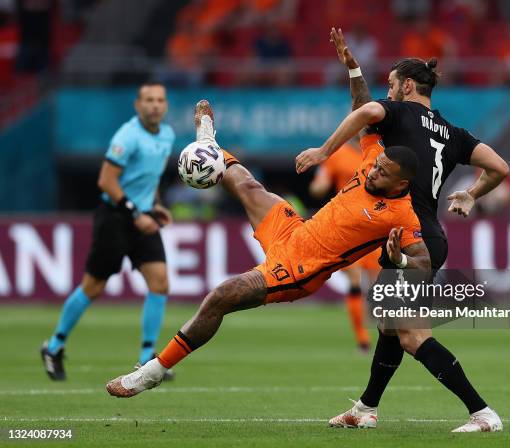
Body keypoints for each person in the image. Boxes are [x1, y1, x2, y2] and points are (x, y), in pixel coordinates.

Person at [105, 99, 431, 399]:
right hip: (293, 232)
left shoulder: (403, 213)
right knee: (248, 185)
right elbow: (365, 109)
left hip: (300, 269)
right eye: (376, 166)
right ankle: (208, 142)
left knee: (222, 295)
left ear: (401, 184)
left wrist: (400, 257)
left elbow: (424, 262)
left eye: (383, 172)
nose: (374, 171)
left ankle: (154, 371)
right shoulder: (376, 157)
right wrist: (353, 70)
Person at [295, 28, 509, 433]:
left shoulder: (397, 112)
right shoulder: (453, 132)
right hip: (427, 236)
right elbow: (500, 166)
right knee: (390, 326)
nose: (388, 93)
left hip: (413, 239)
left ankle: (482, 414)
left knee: (410, 333)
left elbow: (363, 113)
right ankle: (366, 408)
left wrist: (324, 151)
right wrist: (471, 194)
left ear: (407, 85)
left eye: (391, 85)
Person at [41, 83, 176, 381]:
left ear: (165, 106)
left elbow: (149, 178)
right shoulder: (127, 136)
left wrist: (155, 205)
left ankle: (146, 359)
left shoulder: (167, 134)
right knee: (94, 287)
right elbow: (106, 181)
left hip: (143, 217)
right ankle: (54, 345)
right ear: (137, 105)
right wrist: (135, 213)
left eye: (160, 100)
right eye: (149, 100)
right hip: (115, 217)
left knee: (160, 283)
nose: (155, 105)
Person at [309, 137, 379, 352]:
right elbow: (319, 185)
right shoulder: (338, 155)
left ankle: (381, 332)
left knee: (377, 284)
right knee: (355, 278)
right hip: (347, 226)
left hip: (376, 225)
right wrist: (318, 186)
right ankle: (362, 339)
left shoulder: (378, 150)